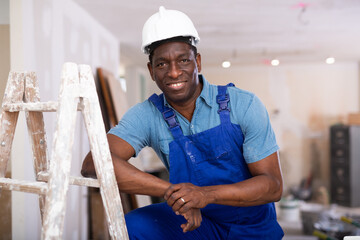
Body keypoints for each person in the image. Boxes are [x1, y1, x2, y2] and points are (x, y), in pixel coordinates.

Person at [81, 6, 284, 239]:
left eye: (183, 60)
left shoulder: (243, 105)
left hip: (253, 228)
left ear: (197, 61)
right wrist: (177, 194)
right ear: (151, 70)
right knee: (132, 226)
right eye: (162, 64)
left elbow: (273, 185)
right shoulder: (147, 115)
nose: (174, 72)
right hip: (195, 223)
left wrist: (205, 195)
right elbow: (93, 164)